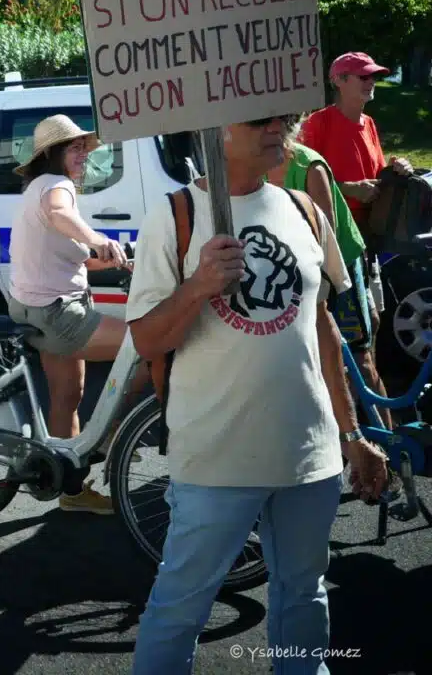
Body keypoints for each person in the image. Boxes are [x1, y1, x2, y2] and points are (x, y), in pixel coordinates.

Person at [126, 115, 389, 673]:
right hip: (215, 461)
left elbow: (322, 328)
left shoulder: (304, 210)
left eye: (284, 121)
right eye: (260, 121)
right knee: (179, 612)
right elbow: (147, 339)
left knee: (303, 600)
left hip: (308, 460)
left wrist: (352, 435)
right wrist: (198, 286)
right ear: (214, 127)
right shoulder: (175, 216)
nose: (279, 132)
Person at [6, 115, 139, 515]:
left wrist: (125, 259)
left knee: (67, 396)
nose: (83, 154)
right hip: (58, 312)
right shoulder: (54, 187)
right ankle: (111, 440)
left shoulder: (34, 188)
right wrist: (97, 237)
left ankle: (70, 488)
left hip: (36, 306)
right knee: (148, 342)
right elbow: (59, 213)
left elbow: (75, 260)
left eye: (85, 146)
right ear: (53, 153)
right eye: (74, 147)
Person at [268, 119, 393, 428]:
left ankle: (390, 444)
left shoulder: (310, 165)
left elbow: (328, 238)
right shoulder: (255, 167)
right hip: (296, 268)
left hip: (338, 266)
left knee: (359, 359)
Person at [300, 52, 413, 322]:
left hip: (367, 236)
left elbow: (376, 174)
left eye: (374, 76)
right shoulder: (318, 123)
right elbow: (296, 183)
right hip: (334, 241)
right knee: (352, 324)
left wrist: (398, 168)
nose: (371, 81)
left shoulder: (369, 124)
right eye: (363, 76)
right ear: (339, 80)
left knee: (372, 319)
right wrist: (348, 189)